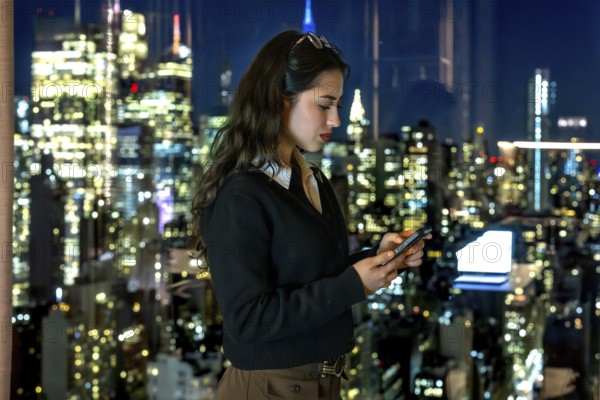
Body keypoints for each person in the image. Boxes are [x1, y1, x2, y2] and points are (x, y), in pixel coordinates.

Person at [191, 30, 430, 400]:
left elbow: (311, 275)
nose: (336, 119)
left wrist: (377, 258)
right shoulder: (241, 194)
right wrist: (355, 284)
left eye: (338, 104)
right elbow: (249, 320)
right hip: (269, 387)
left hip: (324, 381)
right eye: (325, 104)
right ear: (279, 100)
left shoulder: (310, 178)